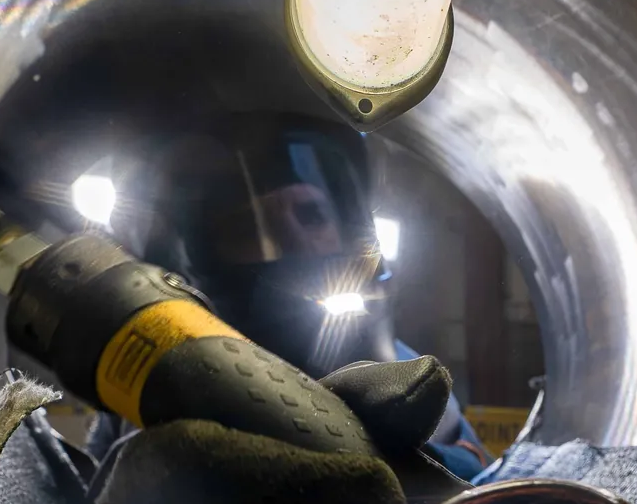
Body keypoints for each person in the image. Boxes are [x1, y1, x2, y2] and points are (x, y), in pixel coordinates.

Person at [119, 111, 489, 480]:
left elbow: (478, 476)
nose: (296, 241)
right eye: (250, 227)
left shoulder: (403, 372)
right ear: (204, 261)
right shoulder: (160, 390)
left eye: (311, 215)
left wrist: (416, 469)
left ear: (348, 227)